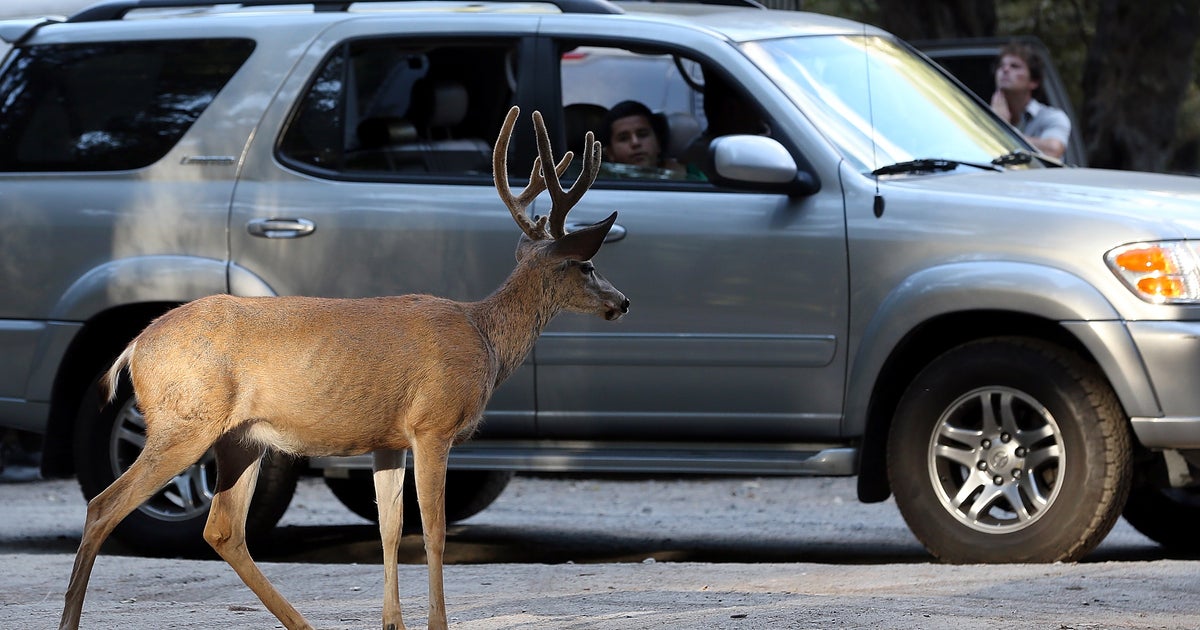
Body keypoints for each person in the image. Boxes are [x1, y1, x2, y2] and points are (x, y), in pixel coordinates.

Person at [989, 41, 1071, 160]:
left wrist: (1003, 129)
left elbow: (1052, 151)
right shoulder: (980, 116)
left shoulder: (1053, 117)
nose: (1005, 69)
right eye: (1001, 66)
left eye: (1015, 66)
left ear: (1033, 82)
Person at [598, 100, 689, 180]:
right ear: (610, 153)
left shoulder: (693, 178)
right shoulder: (597, 189)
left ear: (658, 142)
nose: (635, 143)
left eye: (642, 135)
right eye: (624, 138)